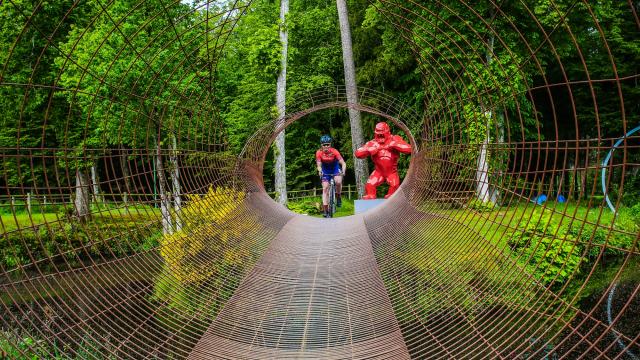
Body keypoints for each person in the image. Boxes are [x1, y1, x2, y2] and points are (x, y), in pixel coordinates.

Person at [355, 122, 412, 199]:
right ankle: (371, 201)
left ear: (388, 132)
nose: (380, 135)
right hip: (378, 172)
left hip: (392, 172)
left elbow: (409, 149)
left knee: (394, 187)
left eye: (382, 133)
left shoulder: (395, 139)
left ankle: (391, 203)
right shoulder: (372, 143)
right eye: (378, 134)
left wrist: (395, 144)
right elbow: (358, 153)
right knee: (370, 185)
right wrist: (368, 150)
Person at [316, 134, 346, 217]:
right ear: (321, 145)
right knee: (325, 188)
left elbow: (343, 163)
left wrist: (343, 171)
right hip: (325, 169)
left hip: (335, 168)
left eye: (327, 144)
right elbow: (318, 165)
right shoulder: (319, 152)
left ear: (330, 145)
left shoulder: (334, 151)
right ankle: (325, 211)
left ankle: (338, 196)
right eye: (324, 145)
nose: (326, 146)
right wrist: (320, 171)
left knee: (338, 181)